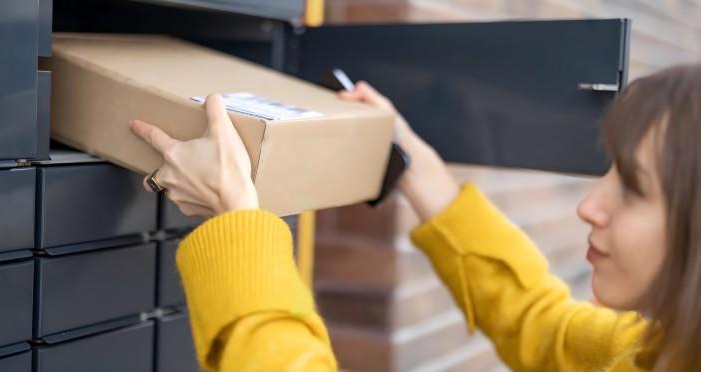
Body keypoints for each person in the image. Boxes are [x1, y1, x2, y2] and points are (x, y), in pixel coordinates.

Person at [130, 64, 701, 371]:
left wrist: (239, 225)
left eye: (632, 190)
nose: (588, 206)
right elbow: (544, 328)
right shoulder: (656, 351)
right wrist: (416, 166)